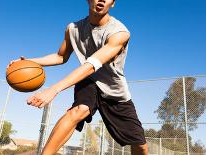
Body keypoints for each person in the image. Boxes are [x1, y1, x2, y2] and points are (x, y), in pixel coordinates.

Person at [9, 0, 148, 154]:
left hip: (113, 88)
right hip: (88, 80)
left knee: (140, 145)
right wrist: (29, 61)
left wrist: (53, 90)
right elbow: (60, 56)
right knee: (79, 110)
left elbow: (92, 65)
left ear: (113, 4)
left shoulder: (119, 33)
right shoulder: (73, 28)